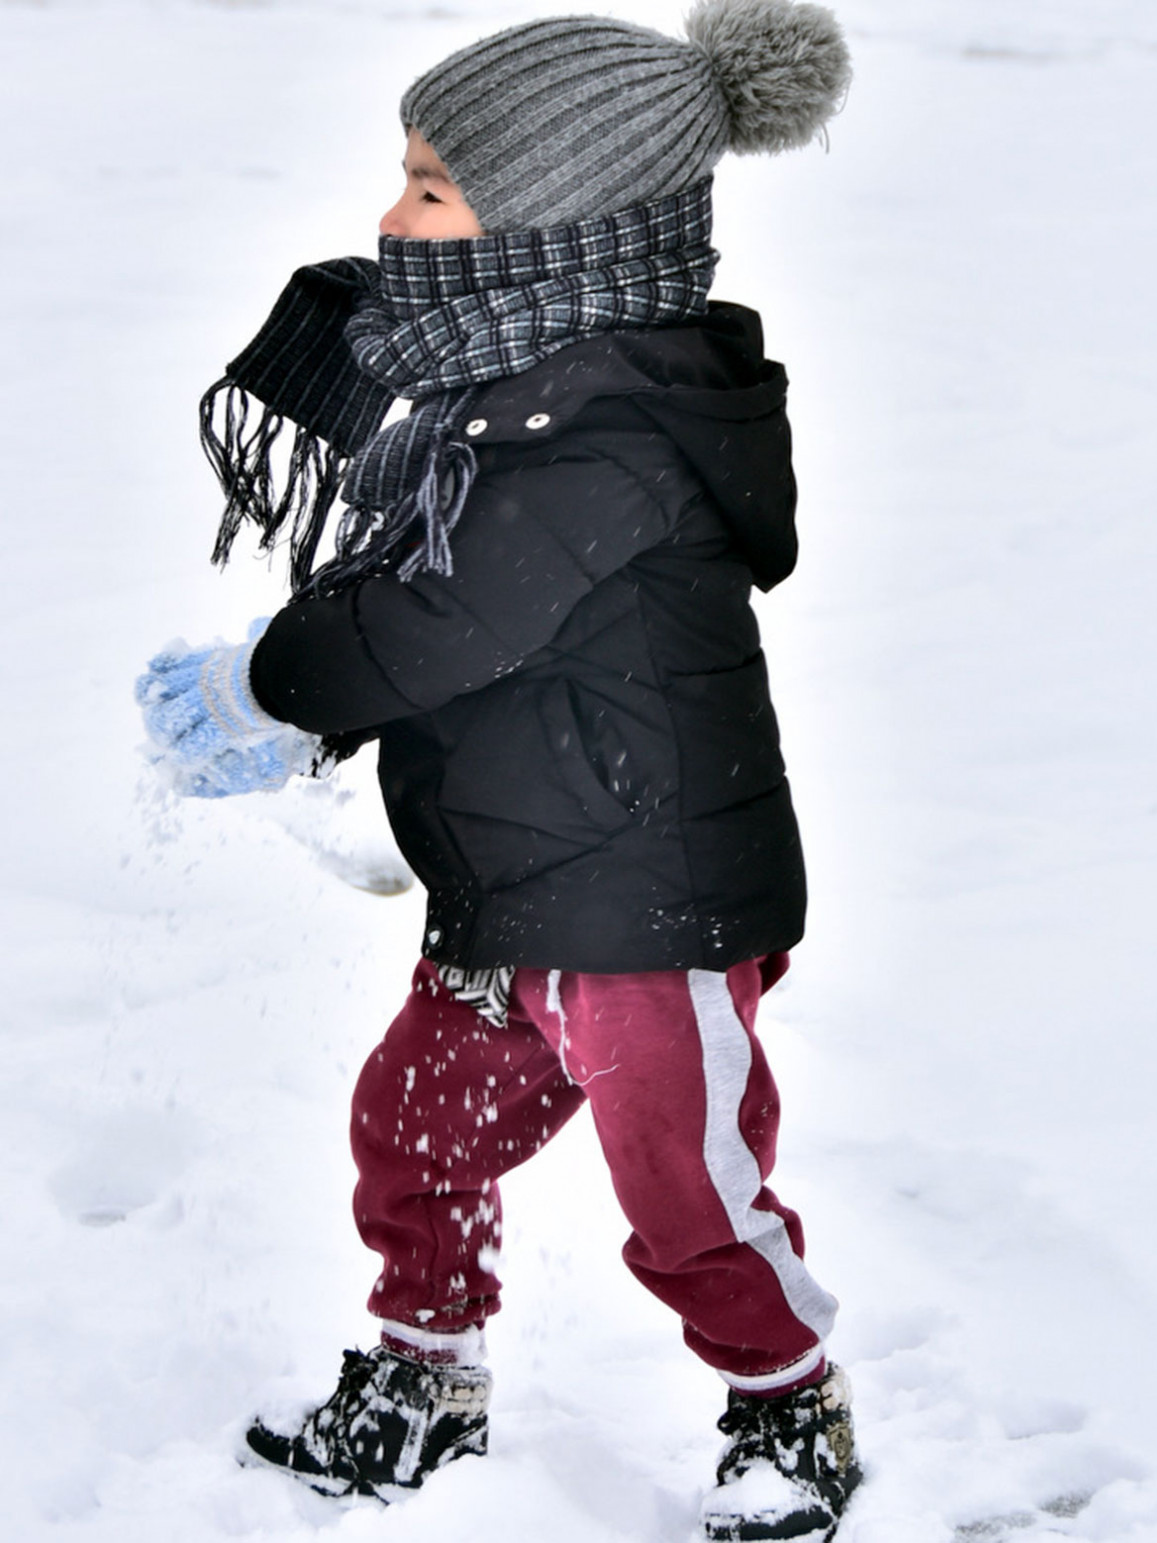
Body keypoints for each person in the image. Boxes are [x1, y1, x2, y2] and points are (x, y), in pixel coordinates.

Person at [137, 3, 859, 1537]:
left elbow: (439, 620)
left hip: (658, 903)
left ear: (561, 229)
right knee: (416, 1126)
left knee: (686, 1190)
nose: (392, 218)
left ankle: (787, 1401)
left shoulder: (610, 441)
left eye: (435, 190)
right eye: (403, 175)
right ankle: (425, 1372)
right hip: (520, 877)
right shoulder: (507, 372)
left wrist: (264, 683)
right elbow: (394, 415)